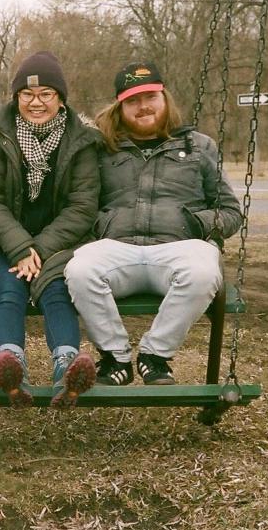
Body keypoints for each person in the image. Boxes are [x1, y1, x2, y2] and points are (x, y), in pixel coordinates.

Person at [65, 62, 243, 386]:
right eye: (133, 100)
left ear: (165, 99)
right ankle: (115, 357)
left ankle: (155, 356)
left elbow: (231, 211)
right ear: (120, 106)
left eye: (150, 97)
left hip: (180, 248)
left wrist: (194, 225)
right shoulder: (102, 148)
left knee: (203, 272)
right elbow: (79, 204)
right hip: (117, 248)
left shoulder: (199, 146)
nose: (143, 106)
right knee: (79, 270)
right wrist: (102, 226)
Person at [0, 51, 99, 408]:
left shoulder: (82, 141)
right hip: (4, 241)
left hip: (60, 243)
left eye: (46, 93)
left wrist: (39, 250)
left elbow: (82, 206)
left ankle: (66, 367)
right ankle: (11, 365)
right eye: (27, 94)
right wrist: (19, 247)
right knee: (8, 290)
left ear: (61, 98)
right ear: (16, 98)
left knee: (56, 290)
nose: (36, 102)